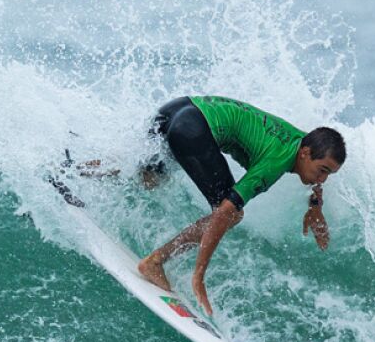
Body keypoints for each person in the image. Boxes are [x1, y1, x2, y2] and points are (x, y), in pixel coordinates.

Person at [135, 95, 345, 315]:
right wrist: (199, 275)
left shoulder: (306, 141)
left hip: (174, 110)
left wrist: (315, 206)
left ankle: (97, 171)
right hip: (191, 130)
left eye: (328, 174)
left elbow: (317, 174)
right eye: (323, 171)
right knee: (233, 215)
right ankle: (155, 262)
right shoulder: (275, 162)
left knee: (148, 180)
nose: (323, 179)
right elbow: (225, 212)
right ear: (305, 154)